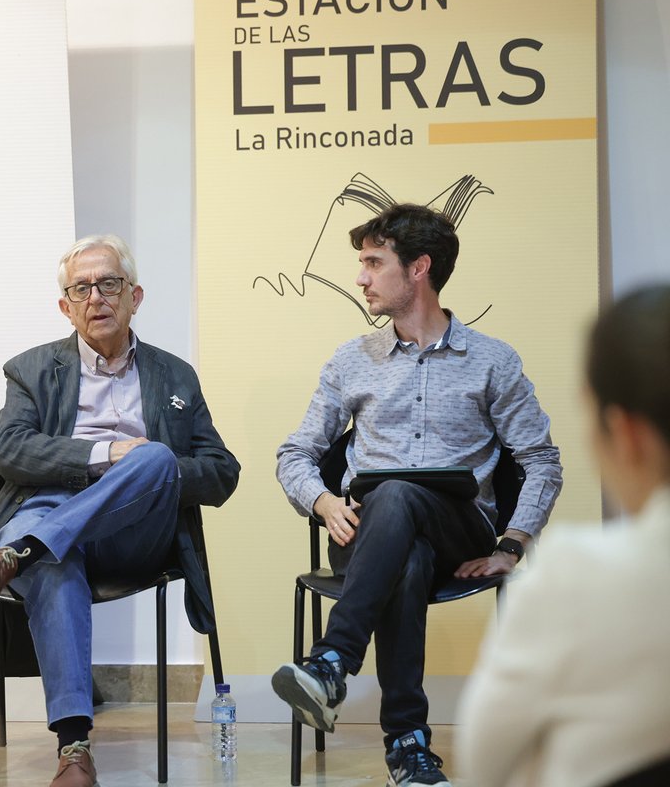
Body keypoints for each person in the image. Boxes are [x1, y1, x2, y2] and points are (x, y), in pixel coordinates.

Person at [272, 204, 563, 787]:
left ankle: (333, 659)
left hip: (461, 530)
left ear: (419, 269)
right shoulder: (352, 360)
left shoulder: (491, 360)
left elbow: (541, 461)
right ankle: (408, 747)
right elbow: (294, 455)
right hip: (367, 538)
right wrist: (324, 503)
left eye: (374, 263)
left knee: (399, 491)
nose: (360, 278)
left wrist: (513, 544)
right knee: (404, 554)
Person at [0, 233, 240, 787]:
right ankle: (75, 749)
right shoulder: (31, 370)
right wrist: (104, 454)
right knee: (55, 557)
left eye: (109, 283)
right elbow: (8, 447)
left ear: (135, 296)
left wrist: (149, 469)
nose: (97, 297)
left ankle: (19, 554)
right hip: (45, 507)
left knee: (155, 458)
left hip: (134, 531)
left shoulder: (174, 375)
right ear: (65, 306)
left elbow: (222, 470)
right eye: (81, 288)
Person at [457, 285, 670, 787]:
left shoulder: (576, 574)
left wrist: (511, 543)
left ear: (625, 432)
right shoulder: (350, 362)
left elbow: (485, 761)